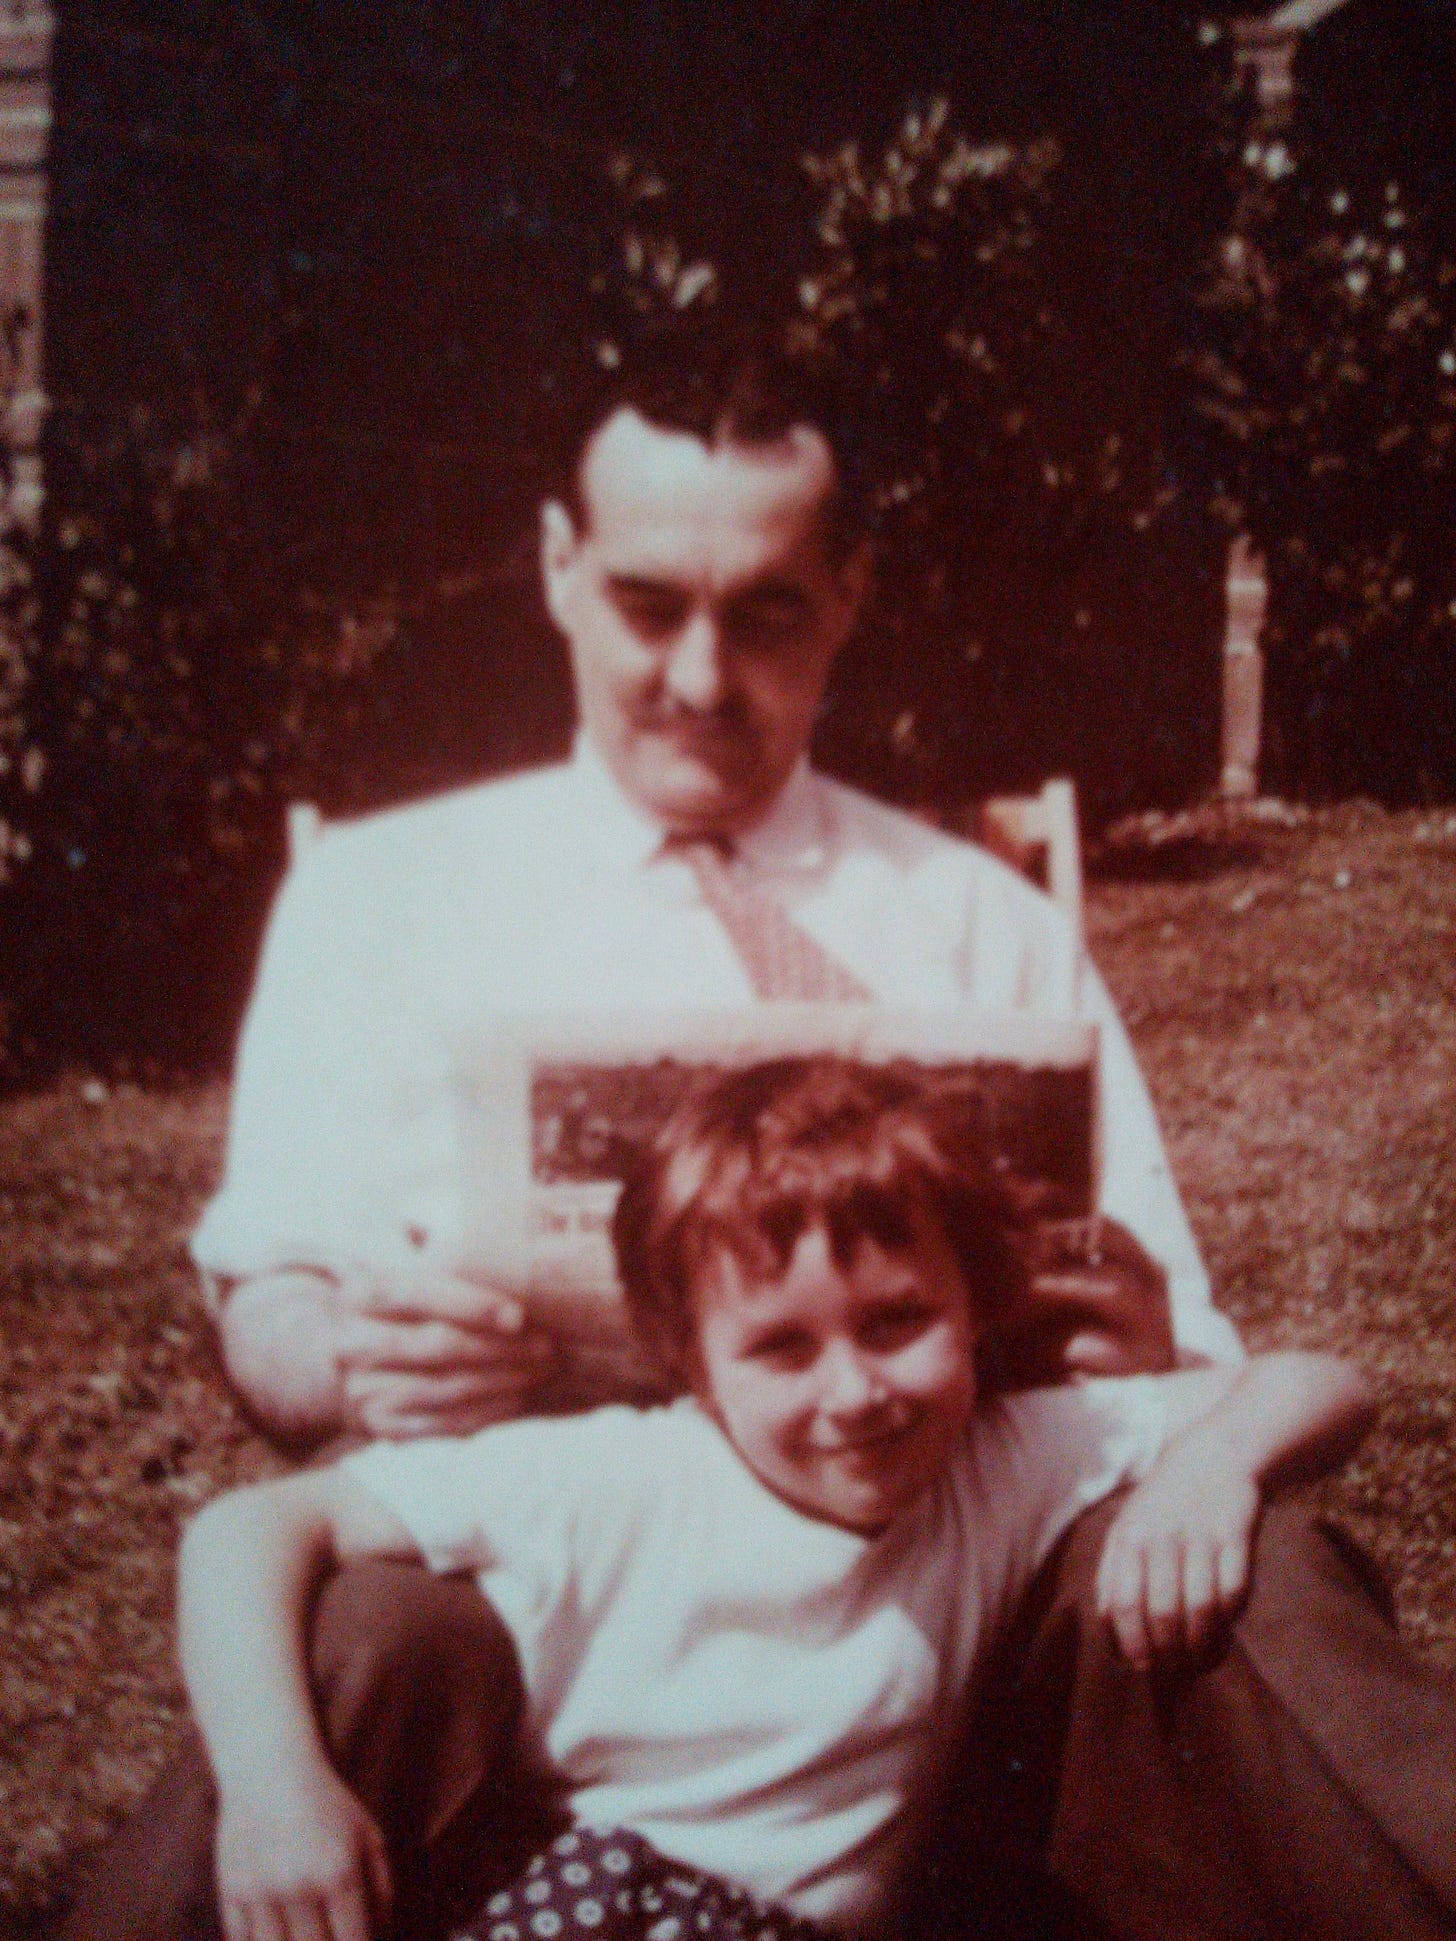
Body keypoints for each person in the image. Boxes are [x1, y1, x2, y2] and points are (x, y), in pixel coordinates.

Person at [190, 345, 1239, 1456]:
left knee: (1277, 1555)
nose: (700, 680)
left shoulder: (982, 920)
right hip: (523, 1526)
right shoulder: (377, 896)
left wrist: (1146, 1350)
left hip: (938, 1518)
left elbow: (1184, 1332)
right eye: (648, 609)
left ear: (849, 593)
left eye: (766, 614)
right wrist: (350, 1362)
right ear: (558, 566)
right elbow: (270, 1287)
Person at [174, 1057, 1374, 1941]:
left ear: (974, 1309)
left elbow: (1325, 1382)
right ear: (692, 1362)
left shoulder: (1002, 1458)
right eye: (781, 1348)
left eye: (897, 1322)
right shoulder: (612, 1479)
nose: (853, 1393)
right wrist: (277, 1789)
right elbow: (249, 1526)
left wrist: (1211, 1464)